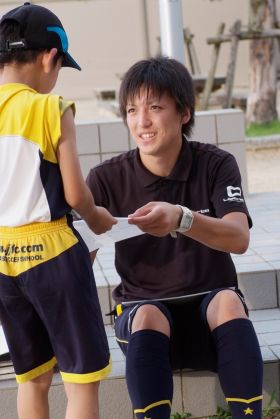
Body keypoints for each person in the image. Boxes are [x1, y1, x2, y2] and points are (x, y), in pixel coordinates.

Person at [86, 56, 263, 419]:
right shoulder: (106, 178)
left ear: (184, 113)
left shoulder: (216, 164)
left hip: (212, 315)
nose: (142, 121)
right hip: (143, 317)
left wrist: (182, 219)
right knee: (149, 313)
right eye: (132, 110)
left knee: (228, 301)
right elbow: (78, 257)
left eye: (154, 107)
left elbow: (239, 238)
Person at [0, 3, 116, 419]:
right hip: (52, 253)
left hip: (4, 260)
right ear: (51, 56)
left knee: (31, 377)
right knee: (81, 379)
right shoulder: (51, 109)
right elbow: (75, 194)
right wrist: (101, 219)